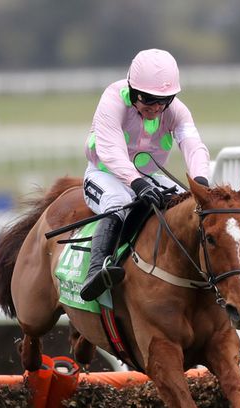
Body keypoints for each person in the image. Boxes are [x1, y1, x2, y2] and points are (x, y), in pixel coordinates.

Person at [79, 48, 211, 301]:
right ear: (133, 90)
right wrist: (137, 183)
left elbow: (193, 144)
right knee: (118, 201)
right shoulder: (113, 100)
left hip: (147, 176)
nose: (157, 107)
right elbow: (111, 150)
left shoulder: (176, 110)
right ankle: (97, 271)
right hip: (105, 174)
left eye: (164, 100)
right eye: (149, 99)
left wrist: (200, 182)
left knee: (186, 203)